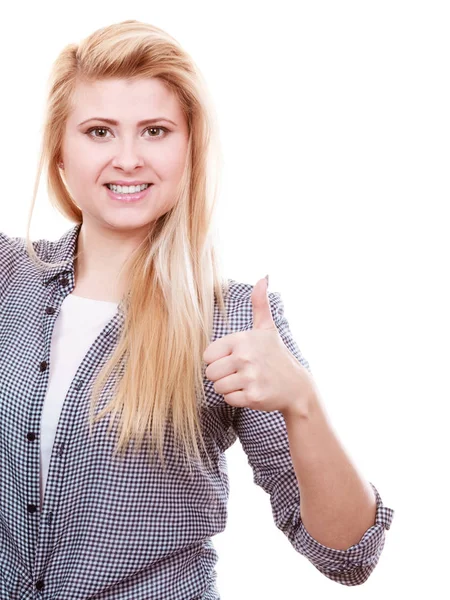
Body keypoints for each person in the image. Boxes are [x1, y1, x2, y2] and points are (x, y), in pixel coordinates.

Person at [0, 20, 394, 599]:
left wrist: (301, 403)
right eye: (99, 131)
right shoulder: (9, 278)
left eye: (155, 130)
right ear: (60, 151)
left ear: (190, 147)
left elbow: (349, 556)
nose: (128, 158)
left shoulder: (234, 320)